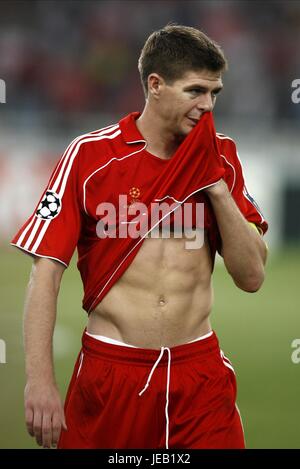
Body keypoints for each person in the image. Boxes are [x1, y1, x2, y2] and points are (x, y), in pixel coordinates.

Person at [11, 24, 268, 449]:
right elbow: (46, 275)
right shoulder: (90, 157)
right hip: (111, 374)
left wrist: (216, 185)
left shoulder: (223, 155)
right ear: (156, 85)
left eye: (214, 93)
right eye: (195, 91)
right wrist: (39, 382)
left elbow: (252, 277)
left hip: (199, 375)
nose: (208, 105)